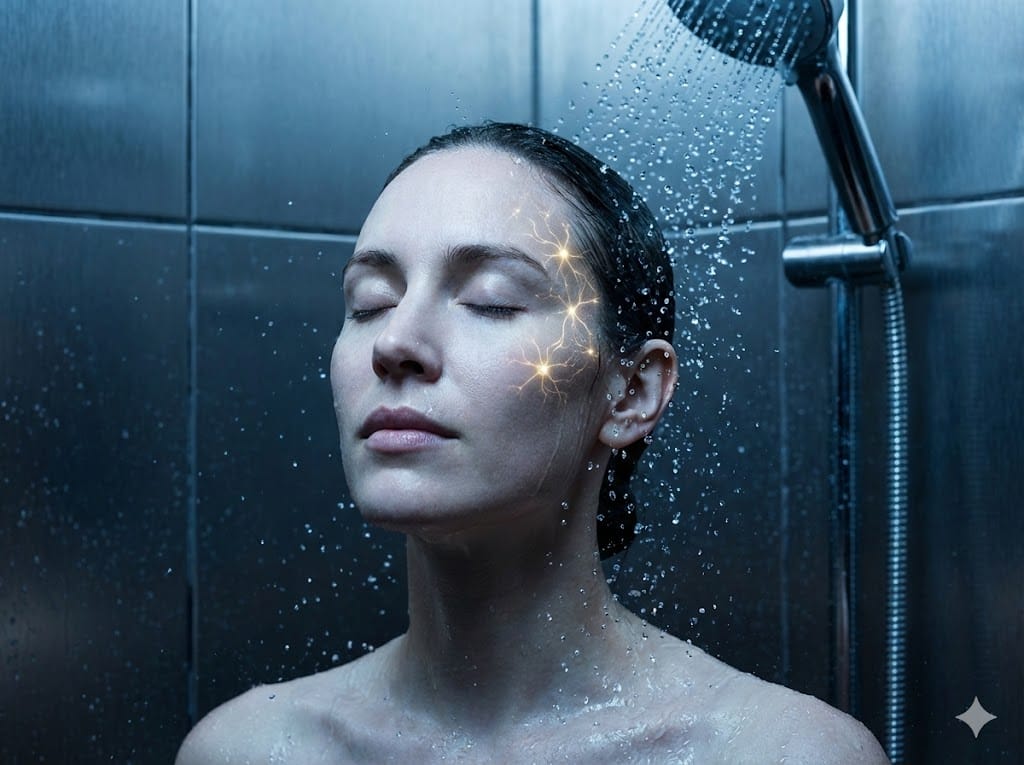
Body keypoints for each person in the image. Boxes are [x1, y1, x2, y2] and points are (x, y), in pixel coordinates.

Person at [176, 122, 888, 763]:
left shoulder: (781, 754)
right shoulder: (251, 750)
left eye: (491, 299)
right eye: (370, 301)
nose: (394, 342)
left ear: (633, 390)